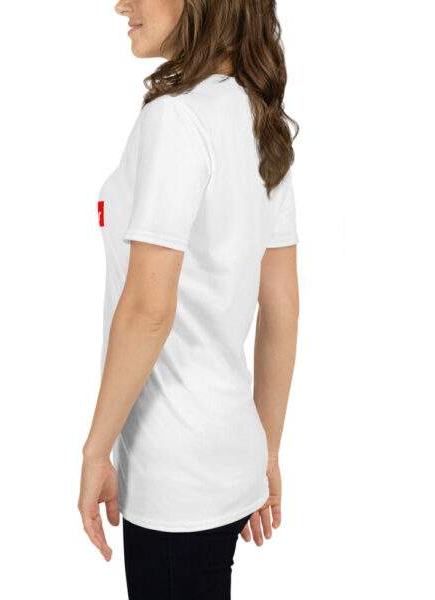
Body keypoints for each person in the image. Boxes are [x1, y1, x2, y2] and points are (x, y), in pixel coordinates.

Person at [78, 0, 299, 597]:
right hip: (228, 454)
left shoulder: (175, 120)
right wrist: (264, 451)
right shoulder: (259, 119)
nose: (121, 4)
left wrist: (96, 451)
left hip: (173, 474)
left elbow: (148, 308)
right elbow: (281, 305)